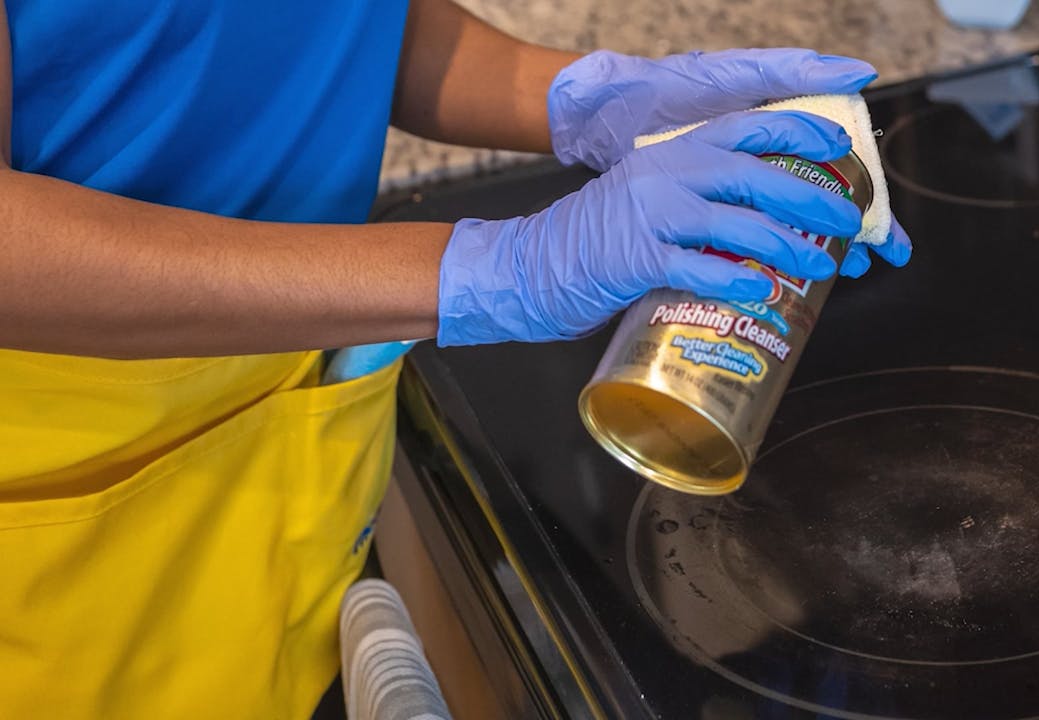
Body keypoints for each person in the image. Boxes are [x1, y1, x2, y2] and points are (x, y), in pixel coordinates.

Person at [0, 0, 911, 717]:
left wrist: (571, 97)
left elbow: (333, 22)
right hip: (73, 471)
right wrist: (488, 269)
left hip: (283, 396)